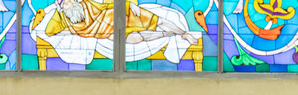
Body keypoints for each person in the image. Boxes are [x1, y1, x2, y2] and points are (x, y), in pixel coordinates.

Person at [46, 0, 198, 45]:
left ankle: (184, 33)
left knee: (159, 21)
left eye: (71, 0)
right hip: (110, 32)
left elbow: (106, 6)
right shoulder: (63, 19)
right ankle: (170, 34)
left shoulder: (86, 4)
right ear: (62, 8)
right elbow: (49, 31)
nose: (71, 3)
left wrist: (130, 4)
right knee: (137, 38)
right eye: (66, 3)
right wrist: (56, 12)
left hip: (120, 14)